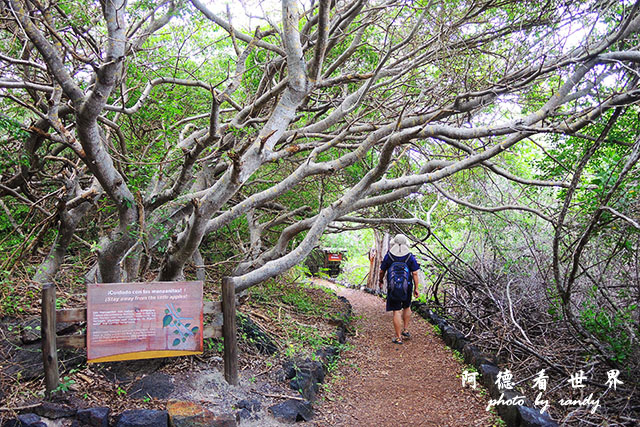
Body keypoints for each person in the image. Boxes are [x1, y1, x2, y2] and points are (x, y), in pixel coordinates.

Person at [379, 234, 420, 344]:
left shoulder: (389, 256)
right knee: (407, 306)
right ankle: (405, 330)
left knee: (396, 310)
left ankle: (398, 337)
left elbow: (382, 271)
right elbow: (415, 273)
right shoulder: (410, 256)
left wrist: (381, 280)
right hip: (407, 287)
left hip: (393, 288)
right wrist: (416, 288)